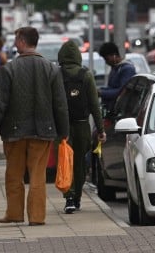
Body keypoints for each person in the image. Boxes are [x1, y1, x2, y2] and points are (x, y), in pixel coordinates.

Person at [0, 26, 69, 226]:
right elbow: (60, 104)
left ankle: (14, 213)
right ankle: (37, 217)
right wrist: (64, 132)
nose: (14, 43)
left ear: (22, 41)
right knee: (38, 175)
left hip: (14, 132)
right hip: (43, 131)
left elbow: (0, 104)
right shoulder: (51, 69)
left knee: (14, 174)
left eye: (15, 39)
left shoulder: (8, 69)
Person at [57, 39, 105, 214]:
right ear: (78, 56)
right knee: (79, 163)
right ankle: (76, 196)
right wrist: (100, 129)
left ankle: (68, 196)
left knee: (64, 160)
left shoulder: (56, 74)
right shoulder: (86, 75)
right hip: (82, 125)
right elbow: (94, 105)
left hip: (62, 127)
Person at [98, 41, 136, 112]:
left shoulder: (127, 69)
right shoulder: (116, 68)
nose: (106, 62)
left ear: (114, 55)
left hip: (121, 111)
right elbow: (111, 88)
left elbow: (121, 92)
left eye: (107, 59)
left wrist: (101, 93)